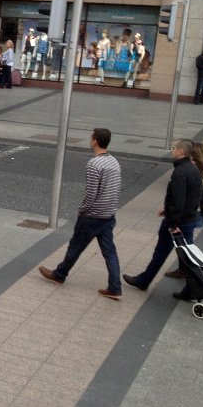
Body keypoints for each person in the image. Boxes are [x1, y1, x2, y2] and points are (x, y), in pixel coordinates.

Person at [39, 128, 123, 300]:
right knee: (109, 251)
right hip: (108, 214)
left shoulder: (94, 164)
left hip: (92, 216)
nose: (90, 140)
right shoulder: (114, 162)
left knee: (76, 246)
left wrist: (83, 209)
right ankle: (115, 287)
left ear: (95, 141)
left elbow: (91, 193)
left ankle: (59, 274)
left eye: (91, 137)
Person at [124, 138, 203, 296]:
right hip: (188, 219)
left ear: (181, 151)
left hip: (177, 222)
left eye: (174, 148)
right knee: (187, 255)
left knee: (164, 252)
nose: (172, 150)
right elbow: (191, 197)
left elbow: (178, 200)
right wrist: (168, 210)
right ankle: (190, 289)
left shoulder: (180, 172)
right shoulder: (194, 170)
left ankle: (145, 281)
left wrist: (172, 221)